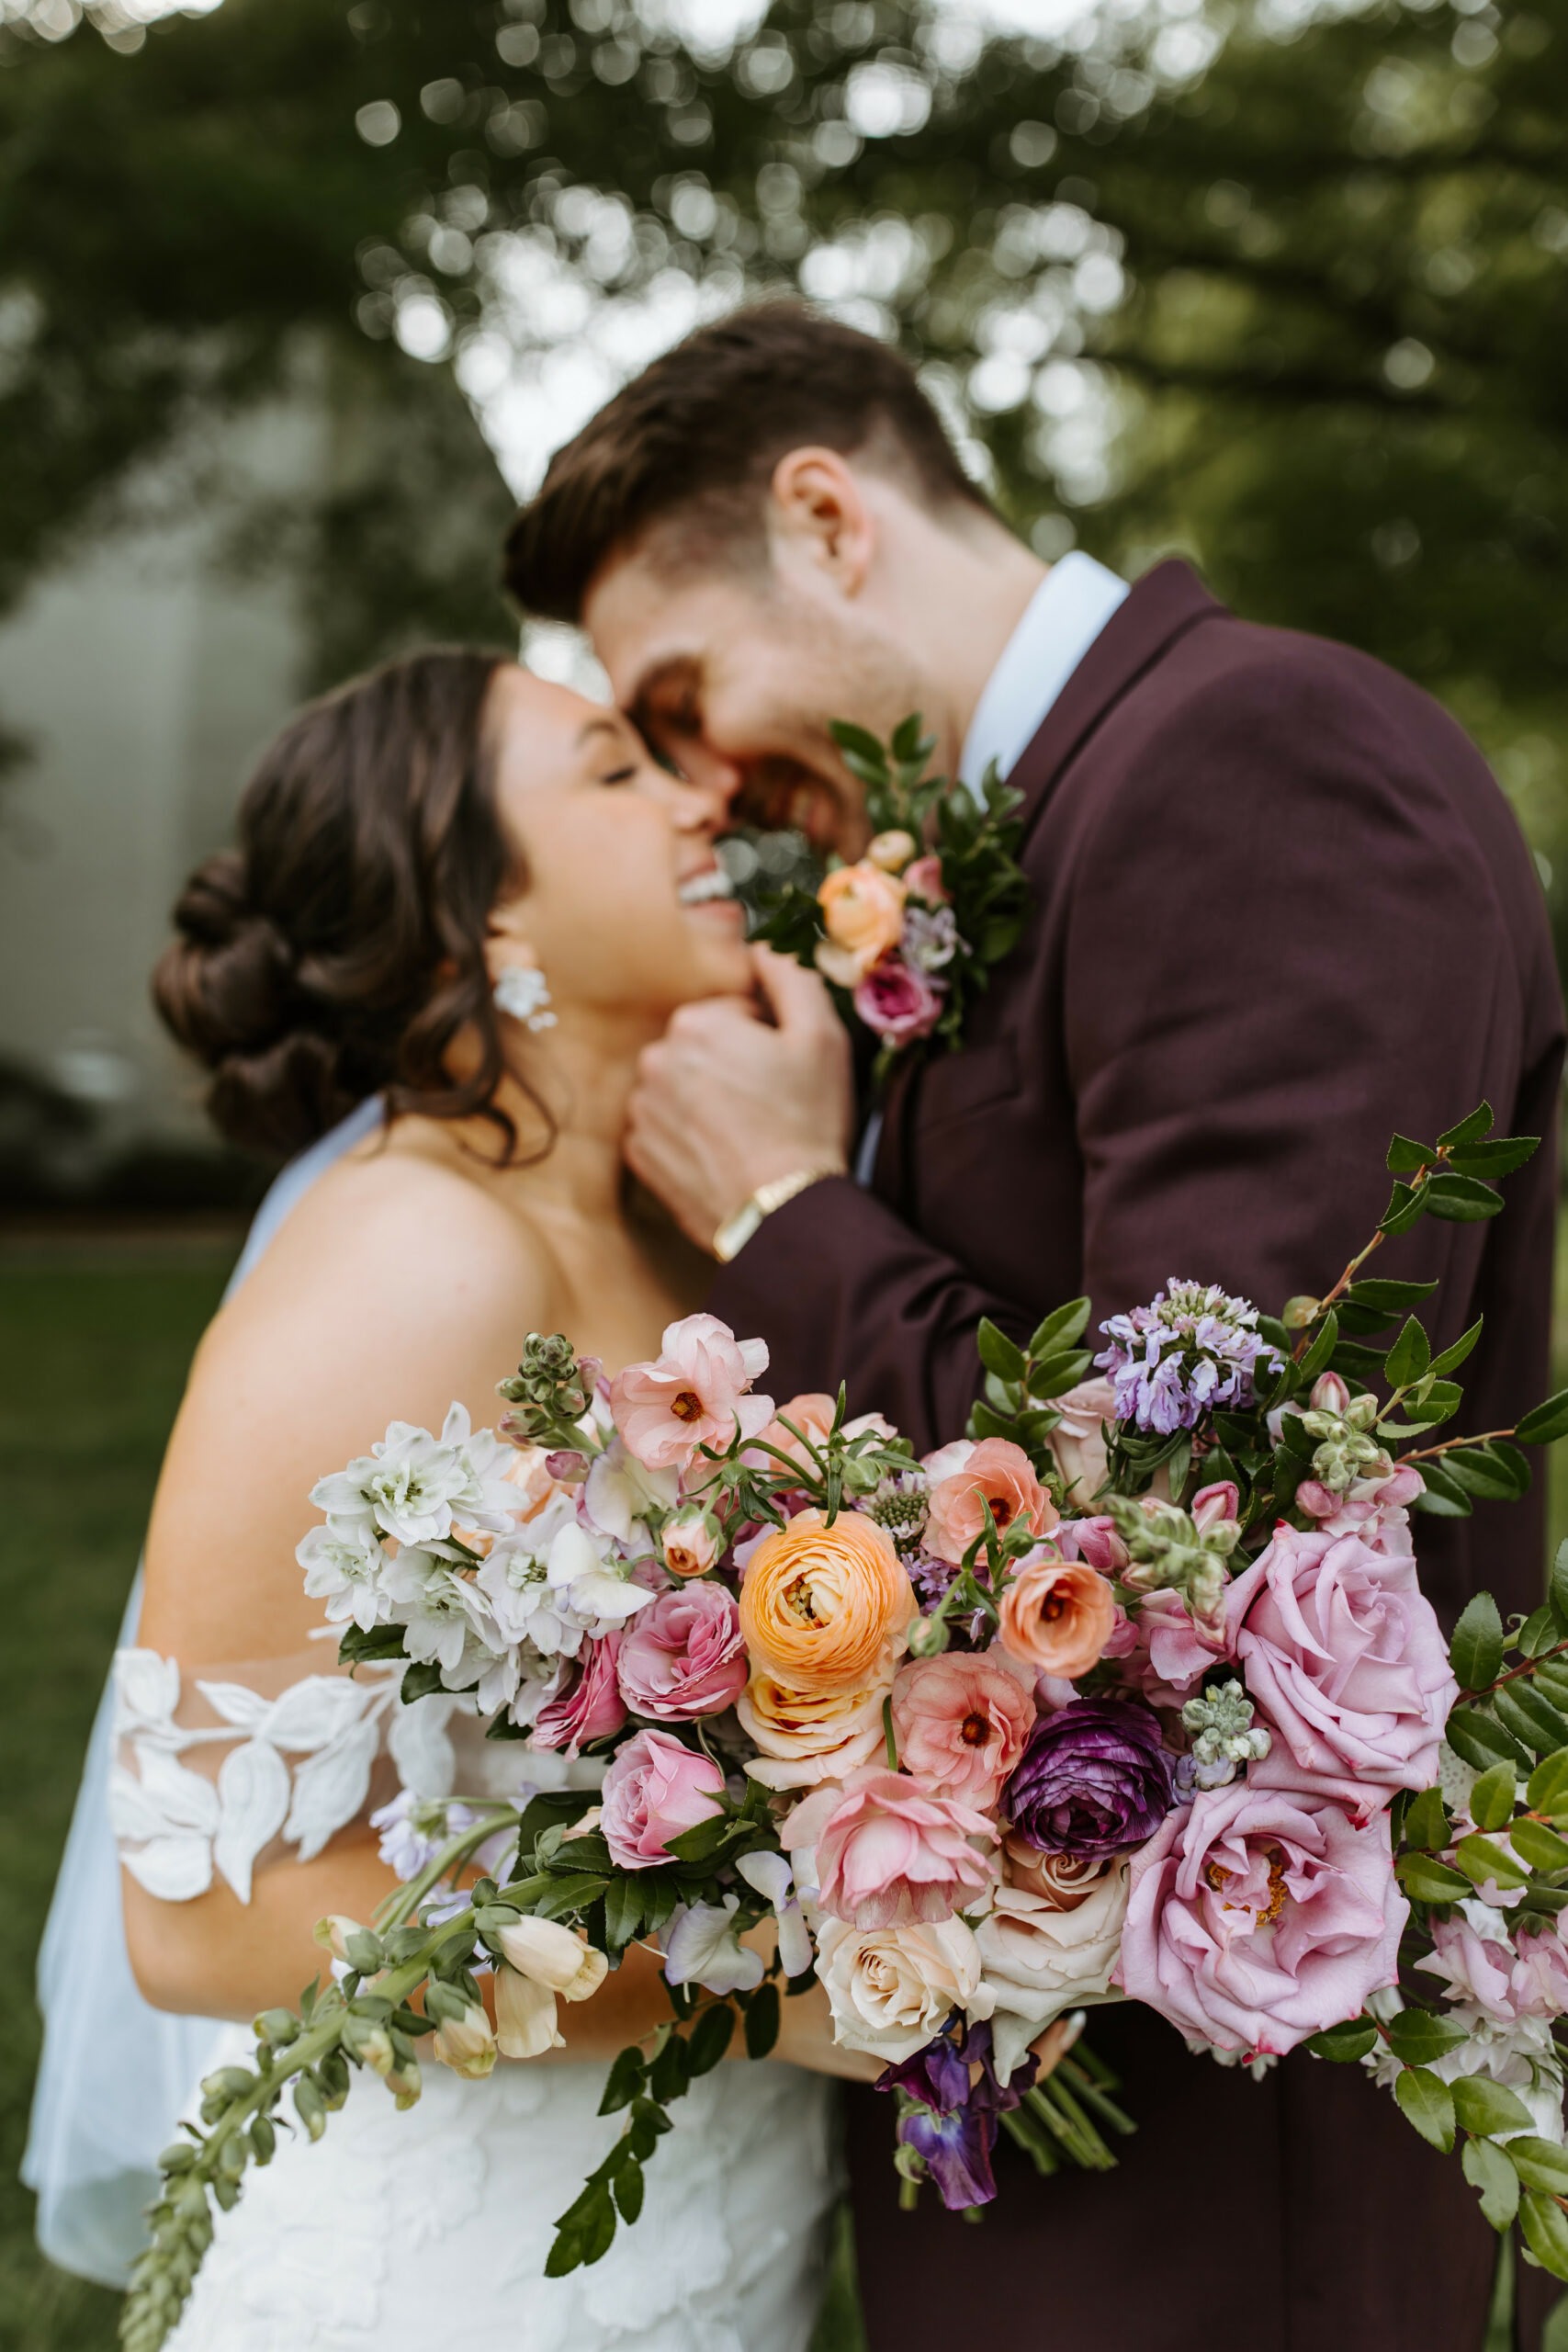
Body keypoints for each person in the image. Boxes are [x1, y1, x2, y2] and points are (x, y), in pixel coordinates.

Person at [502, 305, 1568, 2351]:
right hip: (1055, 2102)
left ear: (824, 518)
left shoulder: (1255, 766)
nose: (708, 787)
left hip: (1229, 2173)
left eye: (680, 696)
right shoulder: (1065, 814)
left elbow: (1195, 1531)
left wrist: (779, 1212)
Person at [49, 646, 860, 2350]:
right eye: (617, 773)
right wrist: (760, 1977)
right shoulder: (409, 1254)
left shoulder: (659, 1231)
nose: (704, 794)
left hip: (711, 2229)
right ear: (481, 922)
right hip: (462, 2276)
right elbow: (198, 1922)